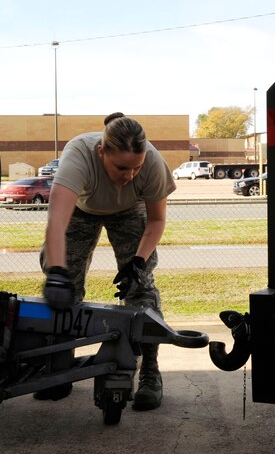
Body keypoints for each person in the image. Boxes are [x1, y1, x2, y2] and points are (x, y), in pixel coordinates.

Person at [38, 112, 176, 411]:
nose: (129, 175)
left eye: (135, 168)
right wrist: (57, 272)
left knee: (141, 288)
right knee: (66, 286)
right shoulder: (79, 155)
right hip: (81, 211)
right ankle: (58, 369)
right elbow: (56, 223)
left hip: (129, 211)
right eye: (121, 167)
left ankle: (150, 374)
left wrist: (137, 263)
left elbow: (157, 219)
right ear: (102, 152)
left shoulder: (152, 163)